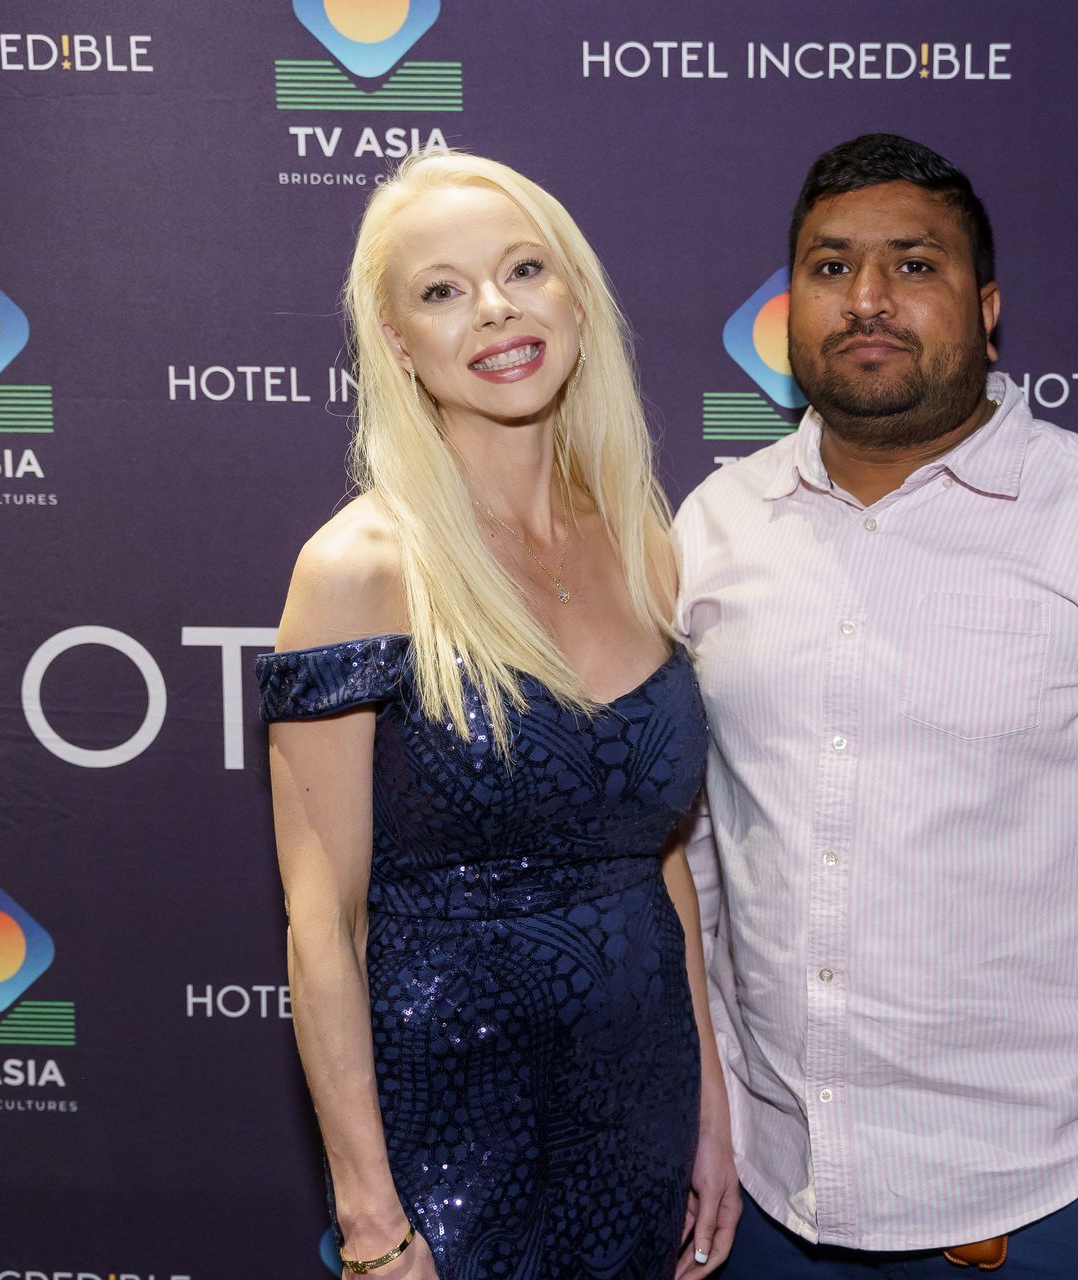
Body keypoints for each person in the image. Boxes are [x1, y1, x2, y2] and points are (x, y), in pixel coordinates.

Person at [676, 134, 1078, 1278]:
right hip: (760, 1197)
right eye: (830, 266)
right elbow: (697, 849)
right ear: (790, 307)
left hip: (1040, 1203)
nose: (867, 298)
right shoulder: (712, 529)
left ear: (987, 311)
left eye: (914, 265)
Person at [257, 152, 738, 1280]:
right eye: (443, 289)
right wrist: (373, 1226)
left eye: (524, 270)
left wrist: (712, 1108)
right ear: (395, 340)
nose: (494, 309)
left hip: (642, 1117)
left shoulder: (641, 540)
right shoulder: (359, 568)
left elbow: (658, 859)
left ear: (575, 296)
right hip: (451, 1138)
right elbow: (323, 921)